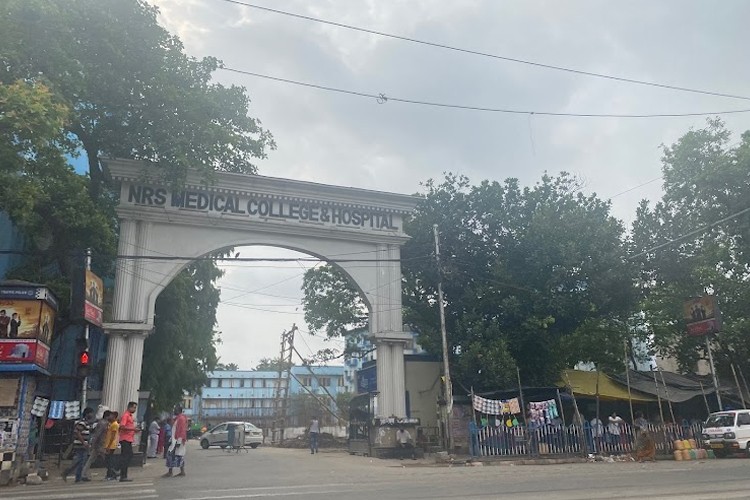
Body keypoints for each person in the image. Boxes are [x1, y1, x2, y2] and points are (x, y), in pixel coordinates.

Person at [62, 407, 94, 483]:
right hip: (80, 445)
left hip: (83, 444)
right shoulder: (81, 423)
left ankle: (76, 477)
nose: (92, 415)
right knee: (79, 461)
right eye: (91, 413)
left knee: (80, 461)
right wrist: (83, 442)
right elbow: (77, 432)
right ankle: (70, 474)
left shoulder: (86, 423)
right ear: (87, 414)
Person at [82, 409, 110, 480]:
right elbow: (98, 434)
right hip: (100, 444)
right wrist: (94, 443)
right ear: (107, 416)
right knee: (106, 458)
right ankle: (112, 471)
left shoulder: (102, 422)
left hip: (99, 444)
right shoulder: (103, 423)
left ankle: (83, 474)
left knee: (91, 459)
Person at [164, 405, 187, 477]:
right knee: (174, 455)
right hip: (174, 440)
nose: (174, 411)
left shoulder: (181, 419)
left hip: (178, 440)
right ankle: (175, 471)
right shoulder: (177, 418)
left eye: (175, 409)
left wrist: (179, 441)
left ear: (179, 410)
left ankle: (173, 472)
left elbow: (182, 430)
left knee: (176, 455)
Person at [118, 401, 138, 482]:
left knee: (128, 456)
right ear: (130, 407)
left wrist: (134, 430)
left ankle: (122, 472)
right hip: (125, 439)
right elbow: (122, 427)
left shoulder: (129, 416)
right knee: (126, 456)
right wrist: (133, 429)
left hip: (128, 438)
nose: (134, 409)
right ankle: (122, 474)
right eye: (134, 407)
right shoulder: (125, 415)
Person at [104, 411, 120, 481]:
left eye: (111, 415)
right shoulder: (111, 424)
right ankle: (109, 474)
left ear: (114, 417)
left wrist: (108, 446)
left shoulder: (114, 425)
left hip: (111, 445)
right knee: (108, 460)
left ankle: (113, 473)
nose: (109, 417)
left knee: (109, 461)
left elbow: (112, 436)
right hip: (109, 444)